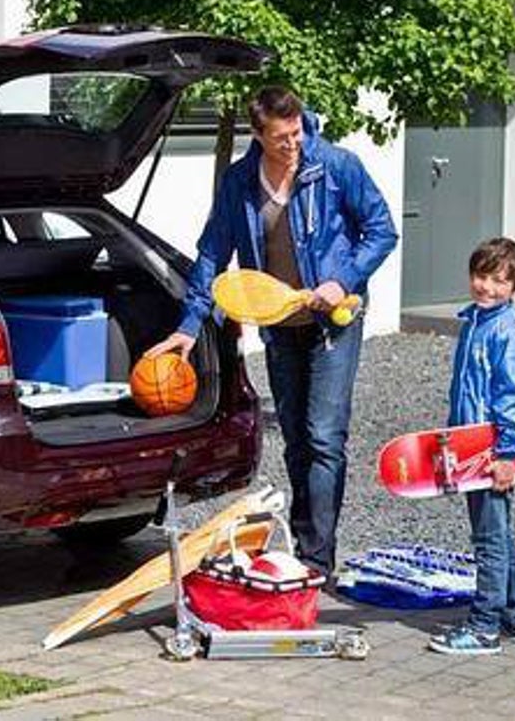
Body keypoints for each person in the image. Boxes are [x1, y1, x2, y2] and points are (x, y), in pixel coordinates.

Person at [151, 86, 397, 578]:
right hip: (280, 327)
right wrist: (188, 326)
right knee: (295, 441)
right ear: (258, 135)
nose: (293, 143)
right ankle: (308, 545)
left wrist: (343, 279)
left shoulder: (336, 166)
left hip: (333, 323)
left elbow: (381, 228)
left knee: (324, 437)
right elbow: (211, 254)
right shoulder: (240, 182)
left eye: (297, 131)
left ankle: (315, 559)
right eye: (281, 137)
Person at [428, 238, 515, 655]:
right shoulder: (476, 321)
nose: (487, 286)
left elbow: (513, 396)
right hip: (470, 443)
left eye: (498, 280)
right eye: (481, 276)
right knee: (500, 534)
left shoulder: (505, 332)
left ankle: (485, 626)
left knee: (488, 539)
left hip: (490, 450)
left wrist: (507, 454)